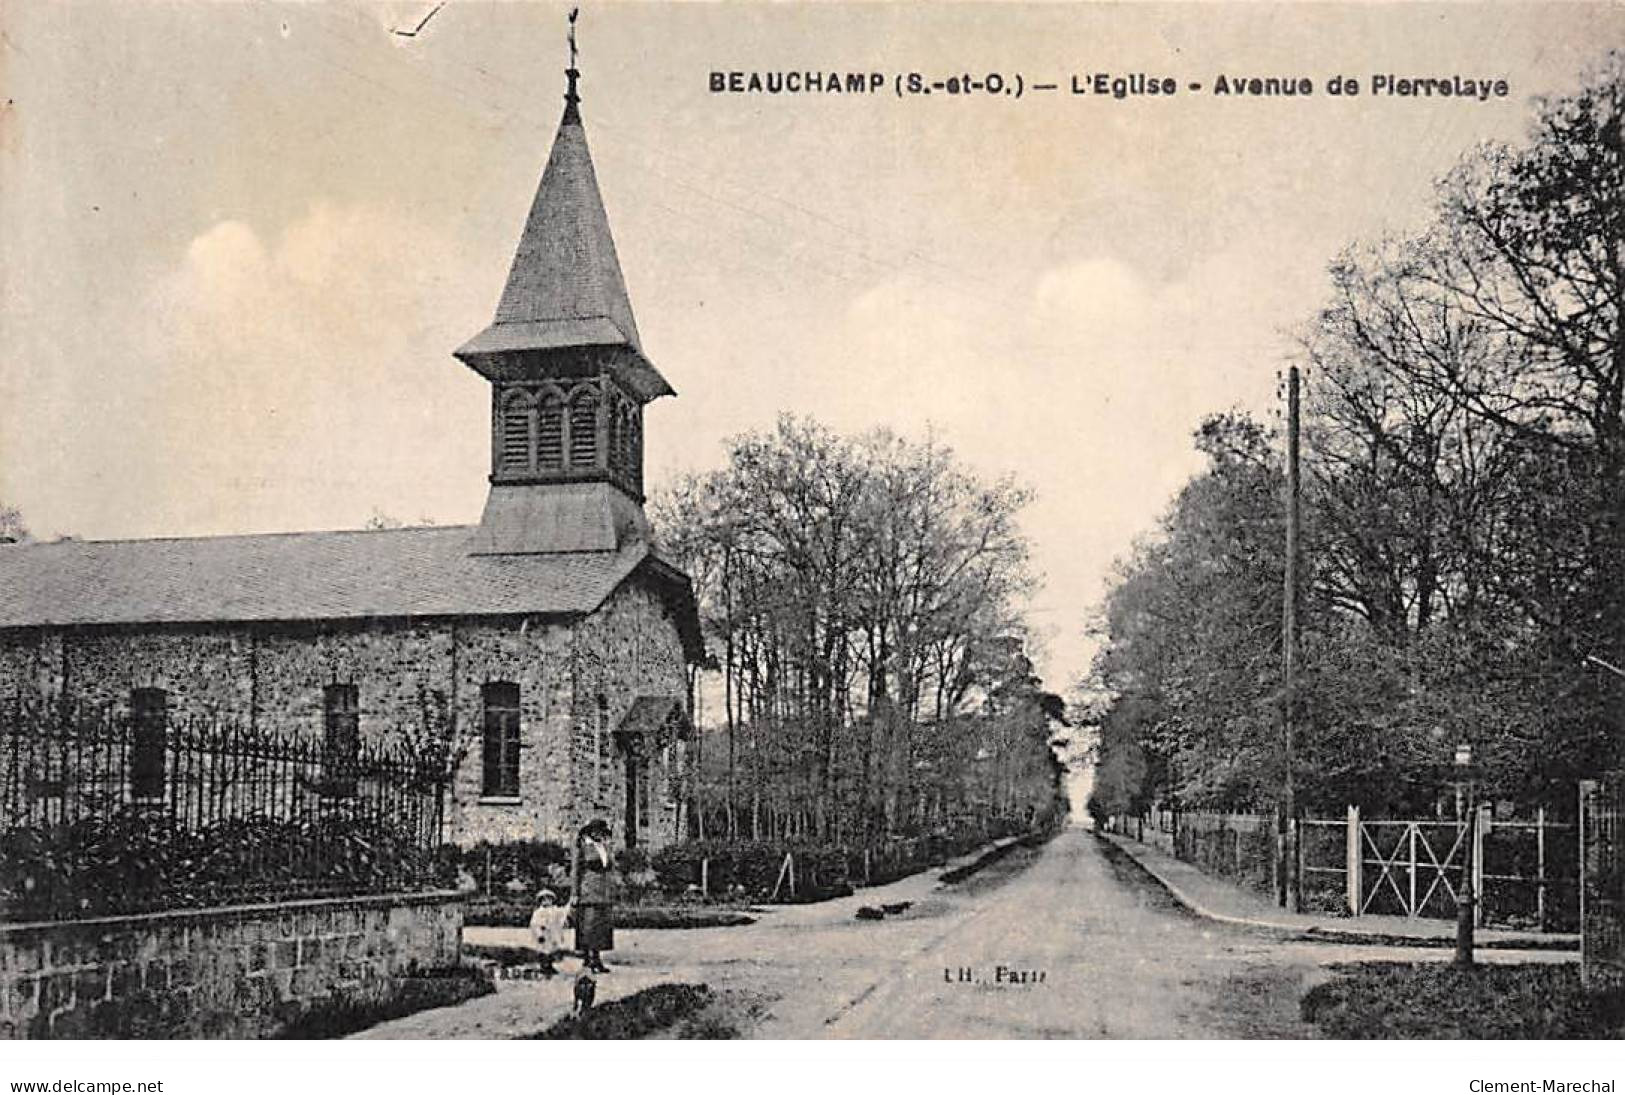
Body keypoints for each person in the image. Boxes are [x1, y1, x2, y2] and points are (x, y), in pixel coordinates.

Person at [571, 819, 616, 973]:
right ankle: (587, 959)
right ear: (590, 832)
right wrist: (575, 894)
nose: (599, 834)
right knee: (588, 926)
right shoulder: (583, 848)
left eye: (602, 832)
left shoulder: (604, 847)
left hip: (603, 892)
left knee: (601, 927)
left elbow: (609, 869)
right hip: (588, 891)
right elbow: (576, 872)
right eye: (596, 831)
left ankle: (597, 959)